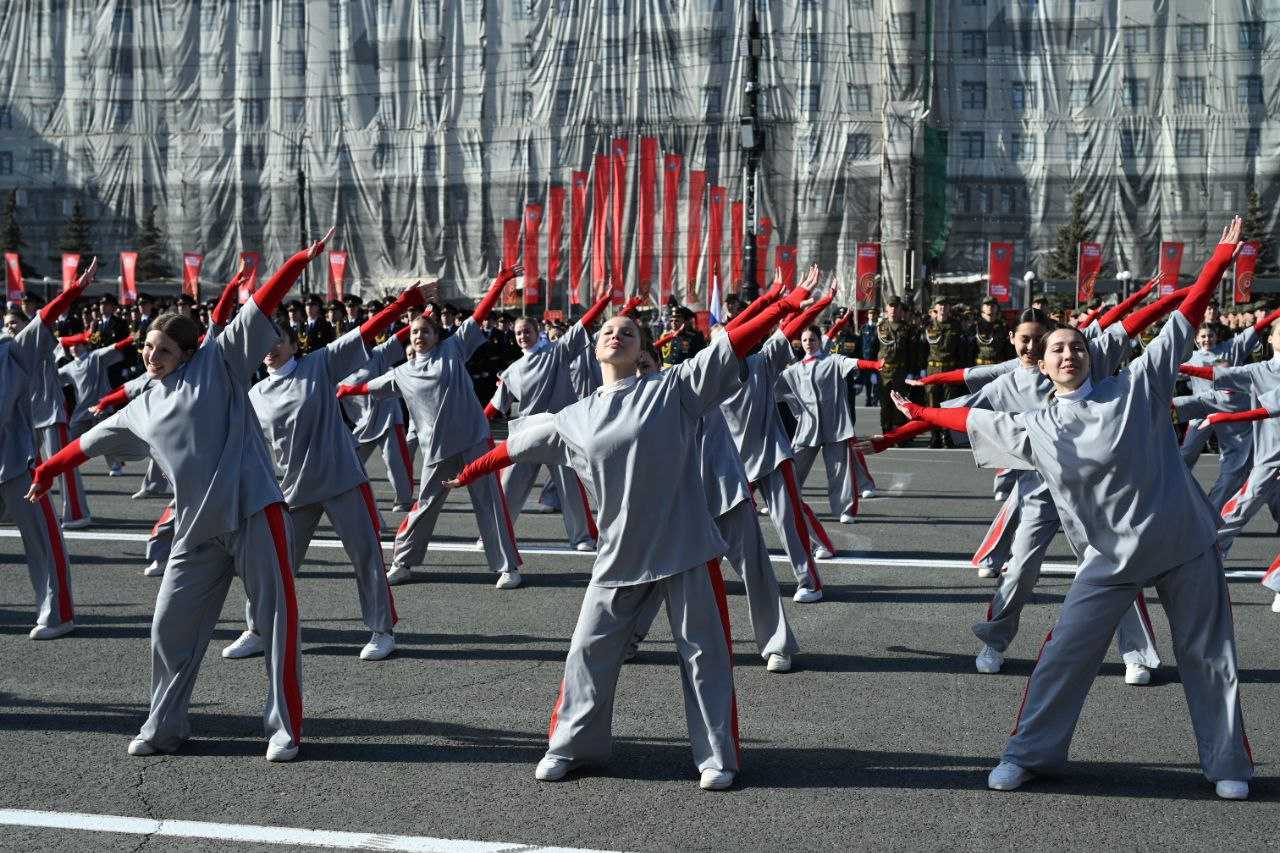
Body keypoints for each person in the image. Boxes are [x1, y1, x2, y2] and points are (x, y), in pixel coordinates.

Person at [885, 219, 1252, 800]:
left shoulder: (1136, 385)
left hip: (1184, 540)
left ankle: (1227, 764)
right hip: (1110, 558)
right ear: (1042, 363)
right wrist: (919, 415)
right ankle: (1029, 755)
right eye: (1056, 348)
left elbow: (1184, 317)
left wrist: (1219, 261)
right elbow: (970, 420)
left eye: (1076, 346)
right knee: (1063, 657)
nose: (1067, 353)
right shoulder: (1036, 426)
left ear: (1092, 355)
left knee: (1208, 656)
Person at [441, 291, 806, 791]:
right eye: (609, 330)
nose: (617, 334)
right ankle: (571, 745)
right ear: (594, 349)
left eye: (629, 331)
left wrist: (781, 307)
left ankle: (716, 756)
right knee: (587, 652)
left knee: (704, 655)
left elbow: (730, 346)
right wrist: (469, 473)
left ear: (641, 350)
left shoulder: (674, 388)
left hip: (686, 549)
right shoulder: (572, 418)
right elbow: (514, 446)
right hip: (618, 554)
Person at [30, 231, 339, 762]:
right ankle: (165, 726)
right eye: (148, 347)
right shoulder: (141, 405)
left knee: (275, 620)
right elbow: (87, 442)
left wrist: (297, 261)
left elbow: (262, 303)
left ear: (188, 350)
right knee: (169, 626)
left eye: (164, 349)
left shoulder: (219, 361)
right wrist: (47, 470)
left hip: (253, 511)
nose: (153, 356)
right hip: (196, 529)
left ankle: (285, 727)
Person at [220, 286, 423, 663]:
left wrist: (402, 306)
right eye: (263, 341)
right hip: (292, 490)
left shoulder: (319, 364)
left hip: (342, 479)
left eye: (277, 339)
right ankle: (258, 628)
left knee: (365, 557)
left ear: (293, 344)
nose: (270, 347)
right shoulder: (254, 394)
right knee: (274, 565)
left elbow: (364, 333)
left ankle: (381, 630)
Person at [338, 266, 526, 589]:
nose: (419, 336)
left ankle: (507, 566)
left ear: (437, 336)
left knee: (489, 501)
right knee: (425, 505)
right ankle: (403, 561)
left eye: (426, 331)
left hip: (473, 439)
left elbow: (479, 316)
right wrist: (345, 391)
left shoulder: (453, 349)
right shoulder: (403, 372)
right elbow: (371, 387)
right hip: (436, 450)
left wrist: (500, 283)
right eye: (414, 333)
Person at [626, 341, 800, 673]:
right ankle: (629, 638)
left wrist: (776, 310)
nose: (640, 374)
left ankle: (776, 644)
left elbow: (731, 361)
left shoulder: (685, 384)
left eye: (645, 366)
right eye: (633, 370)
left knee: (756, 571)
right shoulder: (631, 408)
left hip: (724, 492)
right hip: (677, 507)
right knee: (654, 575)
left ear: (658, 364)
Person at [718, 267, 830, 600]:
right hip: (732, 462)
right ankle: (706, 576)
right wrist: (773, 296)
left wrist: (813, 302)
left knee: (788, 522)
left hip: (771, 454)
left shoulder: (761, 363)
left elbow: (789, 327)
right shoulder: (706, 377)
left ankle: (809, 581)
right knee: (715, 519)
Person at [483, 294, 628, 551]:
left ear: (538, 331)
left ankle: (582, 537)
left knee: (571, 486)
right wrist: (477, 428)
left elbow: (582, 325)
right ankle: (493, 535)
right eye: (518, 333)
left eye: (527, 330)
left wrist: (604, 300)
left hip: (561, 429)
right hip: (526, 432)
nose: (522, 336)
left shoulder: (556, 353)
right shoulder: (511, 371)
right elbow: (495, 406)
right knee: (508, 487)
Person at [0, 260, 95, 641]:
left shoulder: (12, 350)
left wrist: (74, 290)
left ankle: (58, 613)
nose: (9, 326)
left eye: (11, 322)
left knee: (40, 537)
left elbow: (44, 317)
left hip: (17, 460)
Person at [776, 324, 881, 524]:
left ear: (819, 341)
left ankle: (845, 510)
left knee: (839, 471)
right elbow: (770, 389)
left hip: (835, 427)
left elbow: (855, 363)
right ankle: (784, 502)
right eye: (805, 340)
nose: (808, 344)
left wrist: (875, 365)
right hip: (808, 429)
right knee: (793, 467)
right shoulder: (793, 370)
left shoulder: (833, 361)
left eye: (812, 339)